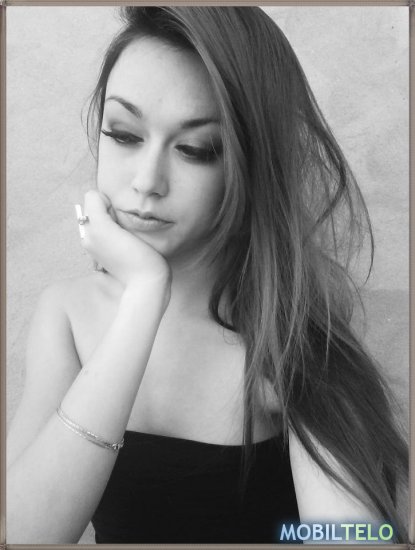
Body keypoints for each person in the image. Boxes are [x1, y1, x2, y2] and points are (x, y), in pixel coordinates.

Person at [6, 6, 408, 544]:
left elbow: (355, 538)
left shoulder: (293, 336)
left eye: (196, 150)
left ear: (251, 164)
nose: (147, 181)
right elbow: (24, 534)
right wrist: (144, 297)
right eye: (124, 135)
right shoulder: (67, 313)